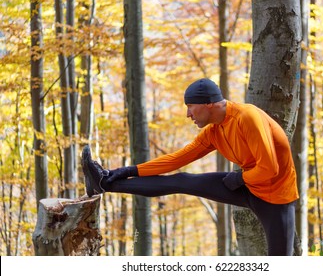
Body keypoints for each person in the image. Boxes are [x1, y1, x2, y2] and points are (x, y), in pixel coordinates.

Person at [81, 78, 299, 256]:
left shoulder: (247, 117)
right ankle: (104, 182)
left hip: (276, 199)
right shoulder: (214, 131)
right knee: (182, 180)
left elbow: (270, 168)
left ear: (209, 104)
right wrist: (126, 170)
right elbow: (176, 159)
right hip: (248, 185)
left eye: (190, 107)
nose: (188, 114)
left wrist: (240, 179)